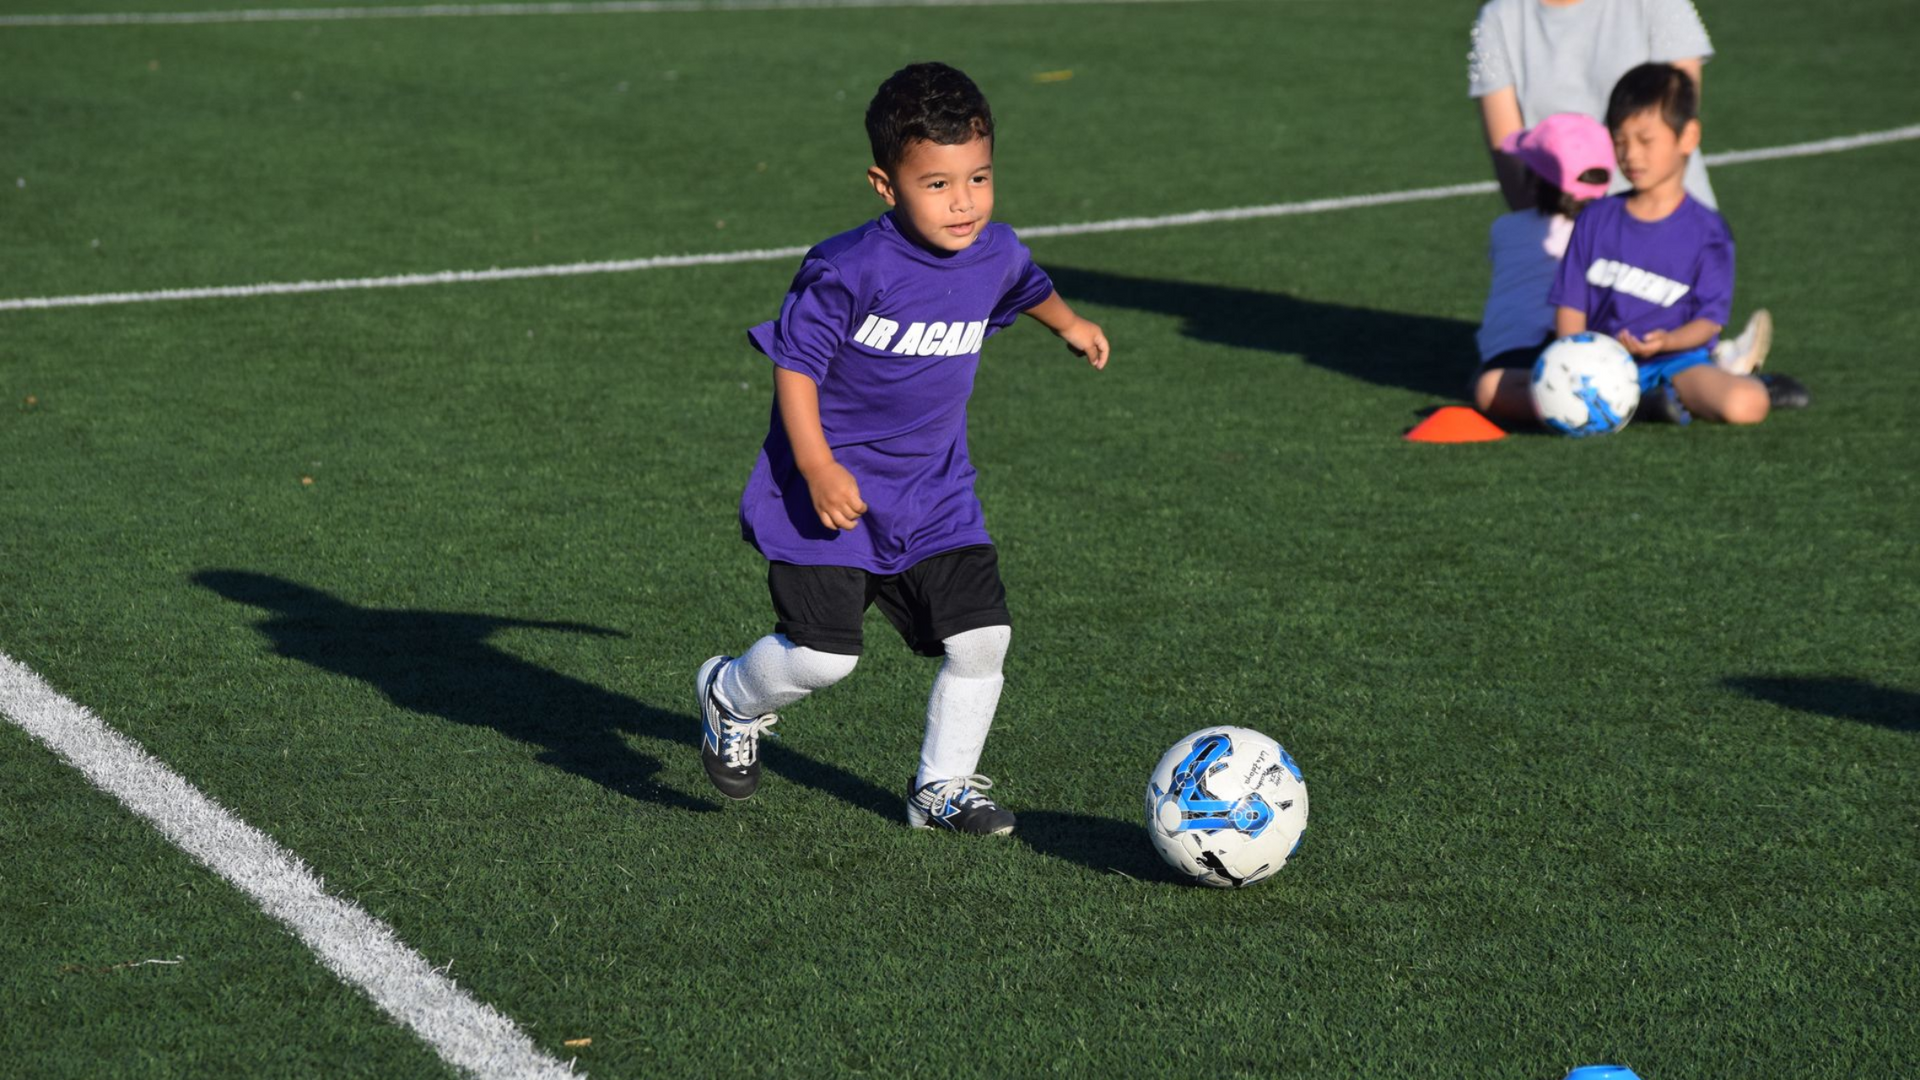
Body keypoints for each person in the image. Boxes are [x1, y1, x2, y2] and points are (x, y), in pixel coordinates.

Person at [694, 62, 1110, 836]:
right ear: (885, 186)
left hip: (935, 494)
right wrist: (818, 466)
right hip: (829, 493)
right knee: (822, 660)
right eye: (938, 184)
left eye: (979, 178)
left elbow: (1026, 284)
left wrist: (1071, 325)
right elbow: (795, 366)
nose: (964, 202)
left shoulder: (994, 251)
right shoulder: (849, 268)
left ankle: (939, 789)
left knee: (983, 639)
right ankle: (729, 696)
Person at [1468, 0, 1773, 377]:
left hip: (1663, 223)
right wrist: (1573, 226)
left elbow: (1678, 118)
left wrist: (1634, 227)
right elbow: (1511, 161)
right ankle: (1702, 373)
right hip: (1567, 226)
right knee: (1508, 376)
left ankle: (1699, 372)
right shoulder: (1499, 16)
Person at [1550, 63, 1808, 425]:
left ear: (1688, 137)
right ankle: (1644, 405)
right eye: (1620, 141)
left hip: (1675, 363)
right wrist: (1572, 361)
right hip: (1601, 365)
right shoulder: (1595, 218)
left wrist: (1667, 342)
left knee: (1746, 404)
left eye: (1645, 140)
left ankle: (1738, 382)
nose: (1631, 154)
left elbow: (1708, 322)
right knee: (1490, 389)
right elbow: (1570, 306)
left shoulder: (1709, 232)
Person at [1472, 113, 1617, 424]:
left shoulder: (1505, 228)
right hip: (1589, 357)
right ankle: (1627, 403)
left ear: (1534, 178)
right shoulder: (1614, 233)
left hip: (1513, 358)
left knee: (1489, 388)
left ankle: (1559, 404)